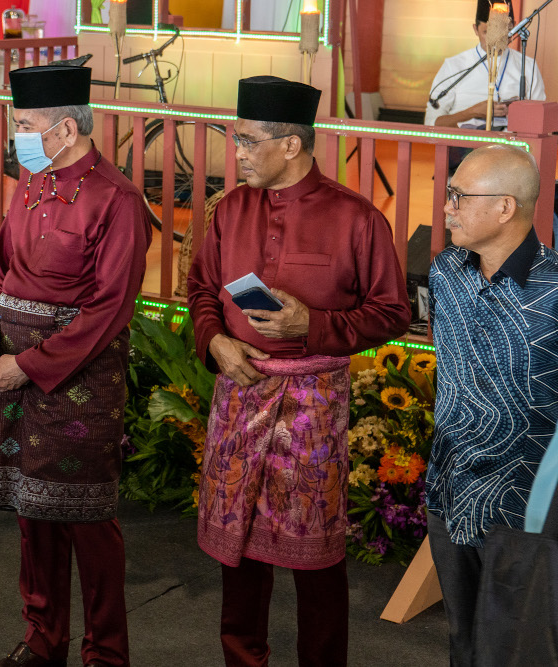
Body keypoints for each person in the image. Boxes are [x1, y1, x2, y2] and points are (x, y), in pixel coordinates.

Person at [186, 75, 411, 666]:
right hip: (239, 391)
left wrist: (310, 326)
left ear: (291, 144)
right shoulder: (228, 209)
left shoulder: (357, 218)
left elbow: (392, 312)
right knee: (239, 557)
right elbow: (202, 289)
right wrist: (215, 343)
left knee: (316, 559)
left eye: (247, 141)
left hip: (312, 401)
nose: (235, 153)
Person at [0, 64, 152, 667]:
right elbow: (5, 268)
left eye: (23, 125)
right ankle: (43, 639)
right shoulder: (33, 182)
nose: (14, 137)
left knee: (88, 521)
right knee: (33, 514)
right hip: (17, 375)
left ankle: (105, 652)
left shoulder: (117, 199)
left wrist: (34, 363)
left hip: (80, 384)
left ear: (64, 128)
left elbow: (108, 308)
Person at [426, 144, 558, 666]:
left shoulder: (554, 289)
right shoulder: (445, 274)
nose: (446, 207)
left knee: (517, 651)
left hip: (526, 503)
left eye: (459, 196)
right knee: (463, 641)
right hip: (449, 487)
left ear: (506, 207)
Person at [425, 0, 546, 129]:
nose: (495, 39)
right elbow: (431, 123)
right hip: (464, 145)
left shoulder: (527, 66)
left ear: (514, 27)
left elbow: (541, 121)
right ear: (475, 29)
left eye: (504, 32)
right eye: (487, 32)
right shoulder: (454, 66)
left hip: (510, 145)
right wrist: (472, 112)